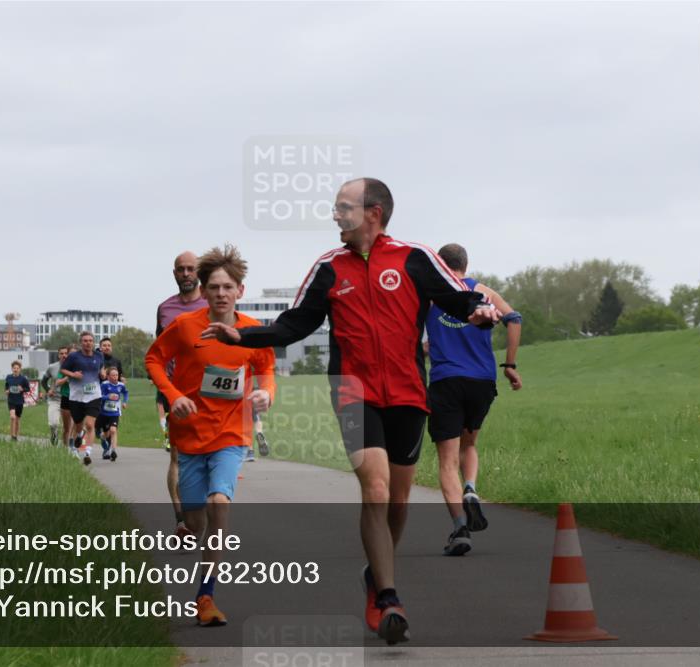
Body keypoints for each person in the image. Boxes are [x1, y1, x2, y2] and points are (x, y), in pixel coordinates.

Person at [202, 178, 499, 644]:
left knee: (398, 500)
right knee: (376, 488)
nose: (335, 215)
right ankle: (387, 596)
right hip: (353, 391)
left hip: (407, 392)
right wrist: (245, 335)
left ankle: (375, 577)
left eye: (343, 207)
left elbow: (457, 297)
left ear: (372, 212)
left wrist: (479, 310)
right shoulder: (328, 267)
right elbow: (294, 324)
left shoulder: (414, 257)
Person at [146, 244, 275, 627]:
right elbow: (154, 359)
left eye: (228, 287)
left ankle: (206, 595)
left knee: (221, 500)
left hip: (232, 434)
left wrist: (266, 393)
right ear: (203, 291)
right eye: (214, 287)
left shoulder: (253, 332)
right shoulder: (185, 327)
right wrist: (174, 396)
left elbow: (266, 368)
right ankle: (192, 529)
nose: (221, 293)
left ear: (240, 291)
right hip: (189, 436)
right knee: (196, 521)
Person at [426, 243, 523, 556]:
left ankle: (459, 528)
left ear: (440, 264)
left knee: (446, 460)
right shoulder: (483, 292)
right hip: (482, 381)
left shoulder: (431, 295)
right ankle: (470, 489)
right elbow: (515, 318)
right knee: (469, 444)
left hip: (446, 381)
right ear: (466, 265)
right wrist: (509, 365)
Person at [155, 251, 208, 537]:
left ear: (198, 272)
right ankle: (181, 520)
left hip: (210, 391)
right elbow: (158, 353)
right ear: (174, 273)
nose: (186, 274)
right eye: (181, 269)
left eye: (191, 269)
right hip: (175, 390)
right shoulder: (165, 308)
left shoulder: (212, 302)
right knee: (177, 455)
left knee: (209, 453)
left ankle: (204, 508)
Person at [60, 332, 107, 465]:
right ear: (81, 342)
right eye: (85, 341)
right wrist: (73, 374)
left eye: (91, 340)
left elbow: (101, 368)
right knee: (79, 426)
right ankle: (75, 448)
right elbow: (63, 370)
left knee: (90, 424)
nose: (88, 343)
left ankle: (87, 453)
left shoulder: (99, 355)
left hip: (94, 395)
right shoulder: (74, 356)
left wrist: (103, 374)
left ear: (94, 342)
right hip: (77, 397)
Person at [97, 367, 128, 461]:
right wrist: (107, 397)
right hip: (103, 413)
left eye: (116, 375)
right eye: (113, 375)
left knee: (113, 430)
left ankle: (113, 451)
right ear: (108, 376)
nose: (115, 377)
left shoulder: (121, 385)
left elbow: (125, 393)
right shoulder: (104, 385)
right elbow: (99, 396)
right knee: (105, 435)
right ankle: (103, 438)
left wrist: (125, 402)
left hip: (115, 413)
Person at [41, 346, 69, 445]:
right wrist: (48, 390)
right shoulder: (52, 367)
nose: (64, 355)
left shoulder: (74, 367)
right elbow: (43, 381)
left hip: (69, 399)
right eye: (62, 353)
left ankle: (67, 447)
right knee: (54, 423)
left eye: (66, 353)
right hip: (55, 399)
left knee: (68, 426)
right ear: (58, 355)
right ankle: (54, 433)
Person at [5, 361, 31, 441]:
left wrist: (22, 389)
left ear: (20, 369)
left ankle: (15, 436)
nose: (15, 369)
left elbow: (28, 389)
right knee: (12, 417)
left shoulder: (23, 379)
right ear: (12, 369)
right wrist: (6, 391)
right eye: (14, 368)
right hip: (11, 400)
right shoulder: (8, 377)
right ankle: (12, 435)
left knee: (17, 419)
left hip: (19, 401)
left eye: (17, 368)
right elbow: (6, 386)